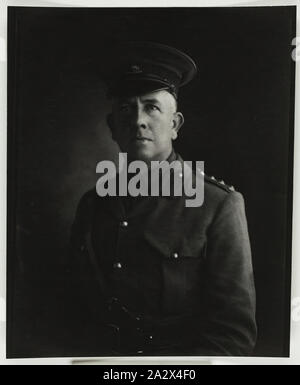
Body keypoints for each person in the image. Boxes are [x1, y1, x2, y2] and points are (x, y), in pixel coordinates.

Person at [67, 42, 257, 356]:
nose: (138, 120)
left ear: (175, 124)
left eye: (152, 107)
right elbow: (73, 313)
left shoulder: (216, 205)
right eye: (126, 108)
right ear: (113, 127)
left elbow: (232, 337)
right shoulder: (93, 204)